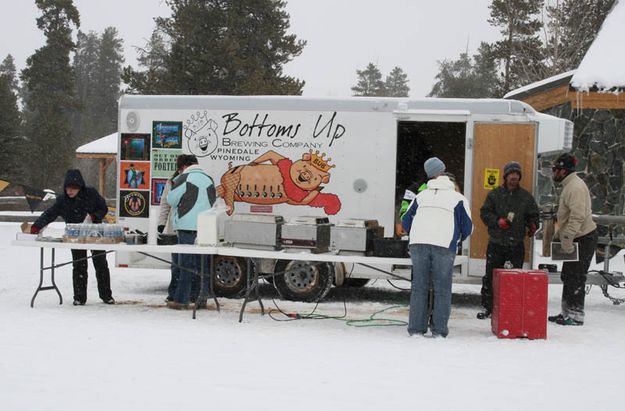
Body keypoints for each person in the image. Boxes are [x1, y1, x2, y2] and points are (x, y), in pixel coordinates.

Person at [402, 157, 473, 338]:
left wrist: (416, 234)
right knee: (442, 288)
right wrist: (457, 239)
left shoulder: (421, 195)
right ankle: (439, 330)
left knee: (420, 287)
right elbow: (467, 227)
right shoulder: (458, 198)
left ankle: (416, 329)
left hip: (418, 244)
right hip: (444, 244)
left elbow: (405, 220)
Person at [30, 169, 115, 306]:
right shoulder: (62, 200)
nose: (70, 191)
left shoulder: (91, 194)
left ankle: (106, 295)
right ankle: (79, 298)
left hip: (95, 234)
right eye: (67, 188)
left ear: (80, 187)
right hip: (75, 236)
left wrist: (94, 216)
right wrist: (36, 226)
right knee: (79, 265)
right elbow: (50, 213)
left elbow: (103, 208)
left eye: (73, 188)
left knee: (100, 264)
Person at [477, 161, 540, 319]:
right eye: (511, 174)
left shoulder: (526, 197)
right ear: (505, 176)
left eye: (517, 174)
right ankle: (488, 308)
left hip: (516, 245)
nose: (514, 177)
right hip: (496, 243)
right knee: (490, 277)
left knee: (514, 277)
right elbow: (485, 213)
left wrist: (533, 225)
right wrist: (497, 221)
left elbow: (533, 215)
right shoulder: (494, 194)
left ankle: (511, 307)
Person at [549, 153, 597, 326]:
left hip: (582, 238)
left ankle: (576, 315)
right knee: (568, 275)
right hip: (576, 237)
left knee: (576, 276)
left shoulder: (575, 187)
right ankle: (566, 312)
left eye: (555, 169)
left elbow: (578, 216)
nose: (553, 172)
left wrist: (567, 238)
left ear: (563, 171)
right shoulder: (569, 185)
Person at [166, 155, 216, 309]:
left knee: (185, 265)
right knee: (202, 265)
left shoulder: (184, 178)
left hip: (186, 226)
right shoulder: (209, 179)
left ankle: (181, 299)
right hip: (206, 227)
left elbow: (171, 200)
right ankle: (200, 298)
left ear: (183, 166)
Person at [157, 154, 187, 302]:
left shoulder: (192, 179)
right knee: (176, 263)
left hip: (188, 226)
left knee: (185, 262)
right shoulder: (172, 181)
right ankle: (173, 292)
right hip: (173, 227)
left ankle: (183, 293)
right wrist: (161, 223)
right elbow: (165, 203)